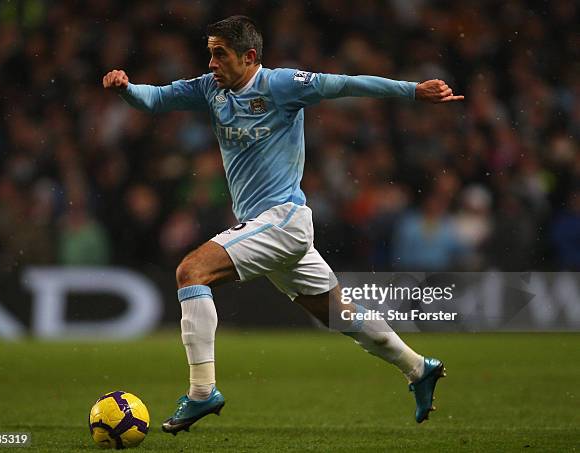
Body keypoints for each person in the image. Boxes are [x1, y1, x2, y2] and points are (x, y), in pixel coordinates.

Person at [103, 15, 463, 435]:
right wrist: (127, 89)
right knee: (338, 315)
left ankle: (202, 392)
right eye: (210, 53)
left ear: (249, 56)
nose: (212, 63)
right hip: (267, 228)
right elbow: (156, 98)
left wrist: (412, 91)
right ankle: (418, 368)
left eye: (220, 54)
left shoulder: (282, 84)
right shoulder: (210, 88)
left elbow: (344, 84)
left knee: (190, 272)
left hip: (284, 220)